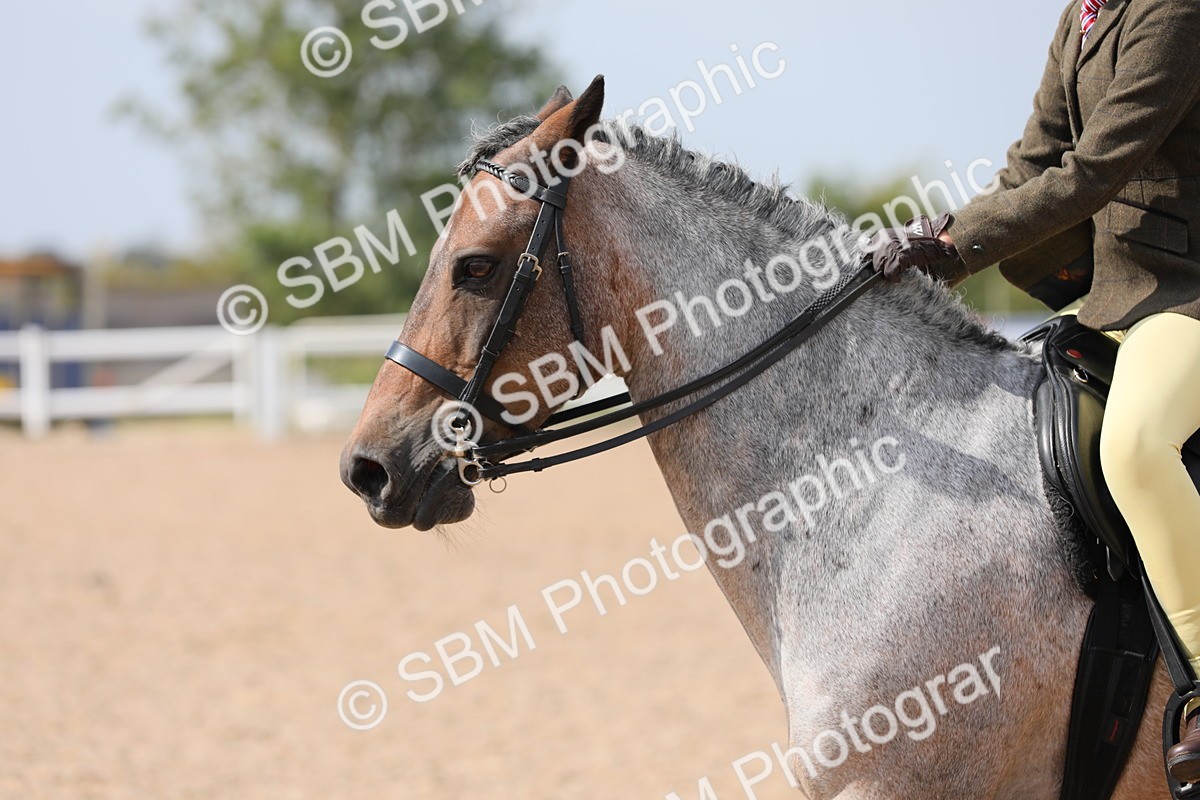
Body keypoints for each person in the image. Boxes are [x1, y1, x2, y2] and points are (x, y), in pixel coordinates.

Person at [867, 0, 1200, 782]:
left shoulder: (1176, 12)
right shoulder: (1084, 15)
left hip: (1186, 293)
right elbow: (1033, 163)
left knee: (1136, 447)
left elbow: (1092, 173)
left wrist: (959, 245)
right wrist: (937, 240)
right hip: (1112, 299)